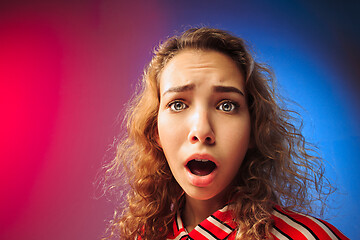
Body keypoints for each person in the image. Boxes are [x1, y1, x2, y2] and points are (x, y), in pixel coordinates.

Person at [102, 27, 349, 239]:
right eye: (178, 104)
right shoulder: (144, 235)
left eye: (226, 105)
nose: (202, 131)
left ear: (254, 130)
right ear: (155, 130)